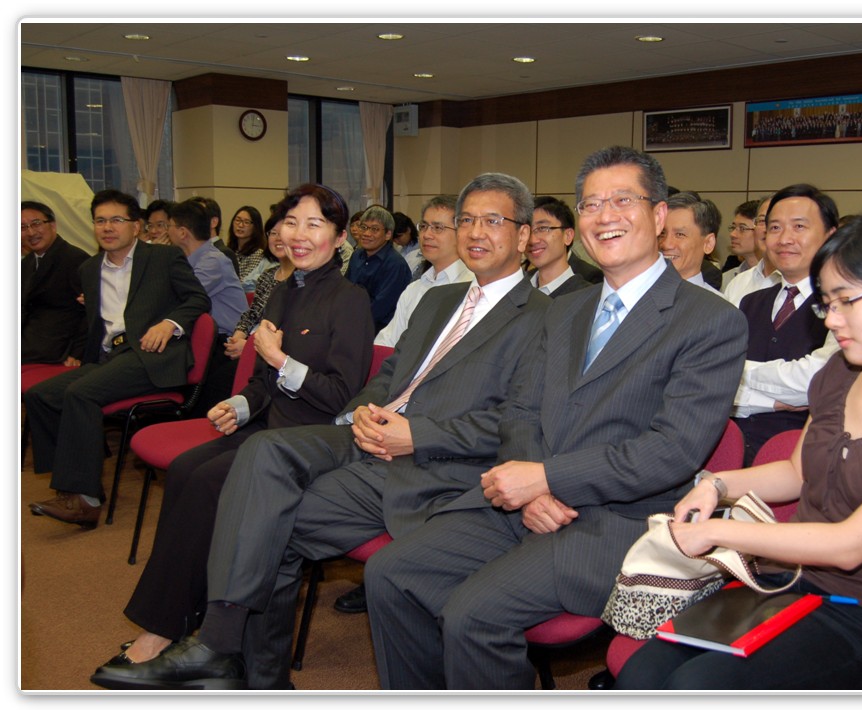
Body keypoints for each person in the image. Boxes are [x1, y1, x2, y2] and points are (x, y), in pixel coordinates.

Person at [89, 172, 550, 690]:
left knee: (271, 511)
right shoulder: (438, 301)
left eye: (493, 220)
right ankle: (246, 669)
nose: (475, 231)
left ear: (526, 234)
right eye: (467, 219)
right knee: (262, 467)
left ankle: (223, 652)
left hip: (437, 467)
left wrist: (415, 435)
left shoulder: (546, 318)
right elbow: (388, 376)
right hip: (365, 438)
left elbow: (518, 419)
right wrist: (358, 414)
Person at [363, 145, 746, 690]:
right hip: (525, 500)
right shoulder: (566, 307)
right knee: (391, 574)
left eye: (622, 201)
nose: (605, 216)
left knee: (473, 613)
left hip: (616, 521)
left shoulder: (709, 320)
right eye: (590, 204)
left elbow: (671, 451)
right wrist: (532, 484)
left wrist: (548, 479)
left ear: (659, 216)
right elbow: (521, 408)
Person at [615, 205, 862, 690]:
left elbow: (850, 545)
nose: (832, 319)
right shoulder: (840, 375)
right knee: (642, 674)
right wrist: (717, 483)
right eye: (826, 303)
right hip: (787, 584)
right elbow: (797, 471)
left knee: (701, 686)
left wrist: (719, 535)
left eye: (848, 301)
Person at [89, 183, 374, 677]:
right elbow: (264, 382)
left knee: (204, 482)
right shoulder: (285, 290)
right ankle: (184, 618)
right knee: (183, 471)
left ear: (339, 236)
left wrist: (279, 359)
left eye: (314, 225)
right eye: (290, 222)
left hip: (305, 440)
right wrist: (241, 404)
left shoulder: (349, 300)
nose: (299, 235)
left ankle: (163, 634)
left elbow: (339, 397)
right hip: (265, 425)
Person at [25, 189, 210, 529]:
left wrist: (169, 324)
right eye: (100, 220)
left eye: (116, 220)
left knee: (81, 394)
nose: (107, 227)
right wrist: (80, 355)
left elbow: (198, 299)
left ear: (136, 227)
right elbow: (94, 321)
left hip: (151, 354)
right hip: (110, 356)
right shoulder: (89, 268)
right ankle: (75, 481)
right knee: (41, 395)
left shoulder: (162, 258)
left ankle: (84, 500)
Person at [731, 184, 840, 466]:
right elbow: (717, 389)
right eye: (775, 228)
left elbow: (817, 381)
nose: (784, 239)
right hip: (735, 455)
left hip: (804, 465)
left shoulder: (844, 304)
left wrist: (736, 371)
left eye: (799, 227)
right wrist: (775, 401)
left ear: (831, 235)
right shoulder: (750, 302)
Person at [167, 199, 250, 410]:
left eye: (169, 226)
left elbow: (181, 299)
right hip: (205, 340)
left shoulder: (213, 261)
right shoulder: (187, 259)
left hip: (226, 344)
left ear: (183, 232)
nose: (166, 232)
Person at [373, 195, 473, 349]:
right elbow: (387, 342)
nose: (426, 235)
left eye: (438, 228)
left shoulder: (474, 287)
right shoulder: (414, 289)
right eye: (424, 226)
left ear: (462, 234)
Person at [21, 200, 90, 365]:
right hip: (30, 339)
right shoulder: (26, 262)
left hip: (56, 346)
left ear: (52, 225)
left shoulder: (75, 259)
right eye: (22, 228)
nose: (30, 232)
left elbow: (90, 310)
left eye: (36, 224)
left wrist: (79, 352)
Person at [224, 212, 292, 361]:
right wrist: (238, 336)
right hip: (252, 343)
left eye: (282, 233)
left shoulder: (300, 279)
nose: (277, 238)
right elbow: (252, 313)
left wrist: (249, 345)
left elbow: (286, 328)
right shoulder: (268, 275)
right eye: (273, 233)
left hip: (276, 353)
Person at [345, 205, 413, 332]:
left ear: (388, 234)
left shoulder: (395, 264)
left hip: (381, 332)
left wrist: (348, 323)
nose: (366, 233)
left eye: (374, 229)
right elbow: (345, 290)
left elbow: (380, 308)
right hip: (353, 325)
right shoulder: (357, 255)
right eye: (363, 227)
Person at [659, 193, 727, 297]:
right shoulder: (634, 298)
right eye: (662, 233)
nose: (666, 244)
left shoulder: (719, 309)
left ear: (708, 243)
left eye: (680, 234)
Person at [526, 195, 591, 297]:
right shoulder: (517, 288)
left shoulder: (586, 296)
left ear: (567, 236)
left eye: (542, 228)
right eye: (527, 231)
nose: (532, 240)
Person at [723, 196, 780, 306]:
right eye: (762, 221)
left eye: (776, 224)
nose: (767, 229)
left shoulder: (797, 284)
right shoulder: (737, 282)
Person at [720, 200, 761, 290]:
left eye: (742, 228)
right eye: (733, 227)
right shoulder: (727, 278)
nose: (733, 234)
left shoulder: (778, 278)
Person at [227, 205, 269, 292]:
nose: (240, 225)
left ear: (255, 227)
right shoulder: (228, 252)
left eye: (246, 222)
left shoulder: (259, 255)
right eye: (238, 220)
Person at [391, 210, 423, 277]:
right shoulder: (399, 249)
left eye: (399, 237)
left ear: (408, 230)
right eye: (393, 239)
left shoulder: (421, 248)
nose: (396, 241)